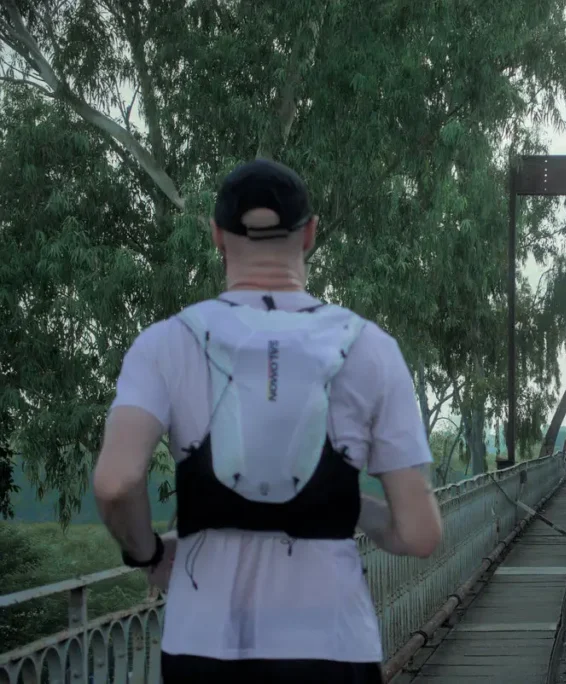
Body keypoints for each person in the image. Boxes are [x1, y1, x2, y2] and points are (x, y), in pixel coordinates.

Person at [92, 159, 443, 683]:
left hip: (202, 644)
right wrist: (350, 506)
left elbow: (116, 483)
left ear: (217, 235)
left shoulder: (166, 342)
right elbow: (419, 534)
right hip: (333, 645)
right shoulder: (371, 347)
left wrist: (148, 555)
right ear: (310, 234)